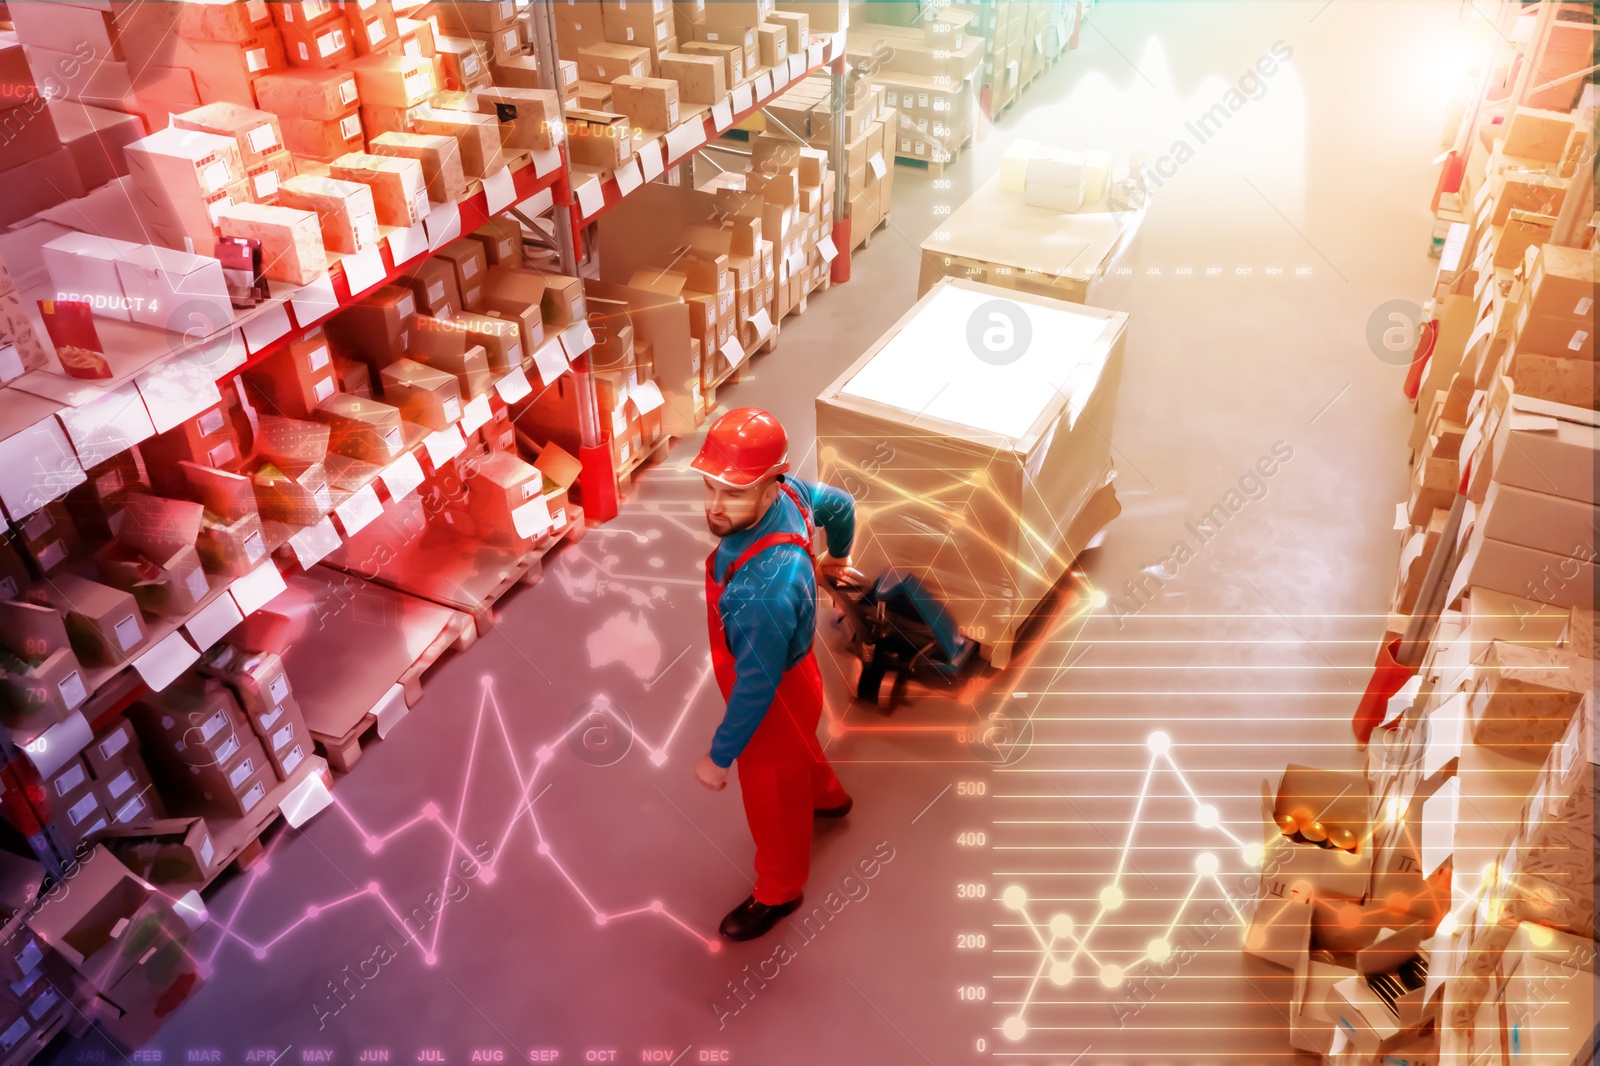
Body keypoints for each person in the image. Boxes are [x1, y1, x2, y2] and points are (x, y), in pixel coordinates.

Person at [690, 407, 856, 942]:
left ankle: (779, 890)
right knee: (801, 750)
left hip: (771, 698)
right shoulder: (794, 496)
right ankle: (829, 797)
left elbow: (755, 686)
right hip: (802, 674)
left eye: (733, 493)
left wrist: (721, 755)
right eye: (711, 487)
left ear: (768, 486)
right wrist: (837, 556)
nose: (715, 507)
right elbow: (842, 504)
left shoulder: (759, 590)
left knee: (770, 796)